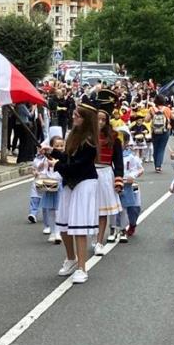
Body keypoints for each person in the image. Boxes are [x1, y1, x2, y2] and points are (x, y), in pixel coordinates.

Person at [54, 103, 99, 284]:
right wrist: (55, 154)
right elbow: (69, 158)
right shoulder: (72, 135)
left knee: (79, 226)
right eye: (74, 115)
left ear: (85, 119)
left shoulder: (89, 141)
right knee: (64, 224)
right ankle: (71, 259)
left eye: (77, 116)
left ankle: (82, 267)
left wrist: (58, 166)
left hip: (84, 182)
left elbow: (78, 165)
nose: (73, 118)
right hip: (69, 182)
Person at [91, 94, 124, 256]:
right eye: (98, 119)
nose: (100, 122)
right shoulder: (87, 136)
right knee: (89, 209)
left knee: (102, 211)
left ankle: (99, 241)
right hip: (89, 173)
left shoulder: (114, 137)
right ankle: (90, 236)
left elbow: (118, 162)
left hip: (105, 174)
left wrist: (118, 180)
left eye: (103, 119)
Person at [36, 135, 62, 242]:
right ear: (52, 147)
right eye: (57, 146)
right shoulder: (46, 159)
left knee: (59, 210)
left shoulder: (63, 158)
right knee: (51, 210)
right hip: (49, 186)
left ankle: (58, 232)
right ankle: (52, 231)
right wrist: (39, 171)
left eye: (61, 145)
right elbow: (39, 168)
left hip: (60, 186)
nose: (59, 148)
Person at [118, 145, 143, 241]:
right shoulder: (112, 155)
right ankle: (120, 229)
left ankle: (132, 224)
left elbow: (140, 169)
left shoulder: (132, 157)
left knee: (134, 208)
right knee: (120, 209)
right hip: (118, 185)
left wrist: (132, 176)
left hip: (131, 185)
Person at [150, 95, 173, 173]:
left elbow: (146, 119)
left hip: (154, 131)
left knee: (155, 148)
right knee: (161, 148)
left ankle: (156, 164)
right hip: (165, 130)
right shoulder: (167, 109)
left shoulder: (152, 109)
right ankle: (158, 166)